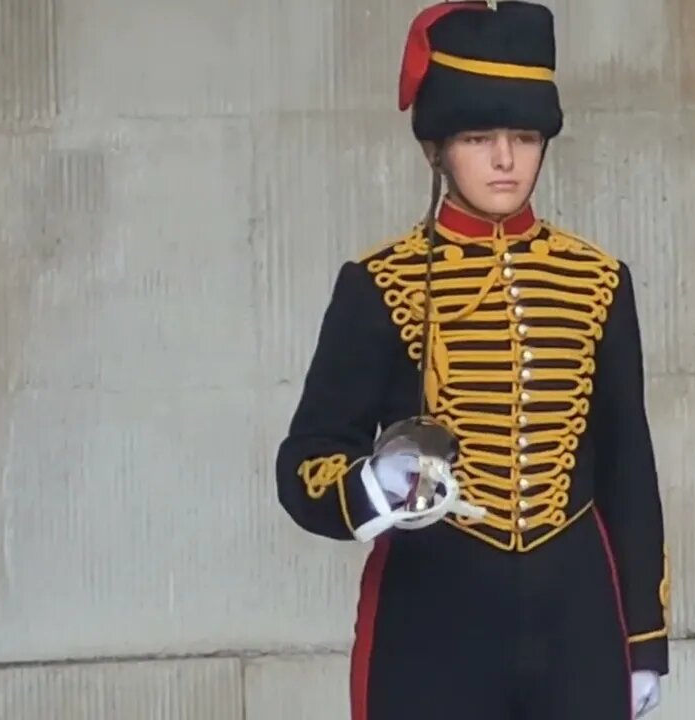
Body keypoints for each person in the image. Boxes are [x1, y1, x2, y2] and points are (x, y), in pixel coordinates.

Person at [274, 2, 670, 718]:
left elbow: (627, 469)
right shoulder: (378, 283)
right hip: (433, 615)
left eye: (523, 136)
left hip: (575, 614)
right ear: (436, 149)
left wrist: (644, 639)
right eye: (479, 136)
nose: (504, 159)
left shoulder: (599, 280)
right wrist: (373, 484)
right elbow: (305, 462)